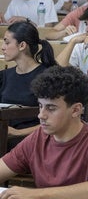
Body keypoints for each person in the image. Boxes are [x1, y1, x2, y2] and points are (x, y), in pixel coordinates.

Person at [0, 65, 88, 198]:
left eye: (51, 108)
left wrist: (36, 195)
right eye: (40, 106)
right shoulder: (37, 139)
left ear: (76, 110)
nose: (41, 115)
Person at [0, 21, 57, 149]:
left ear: (22, 45)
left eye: (7, 42)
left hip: (33, 139)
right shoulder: (4, 75)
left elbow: (57, 121)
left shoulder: (47, 76)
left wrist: (17, 133)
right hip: (4, 135)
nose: (3, 47)